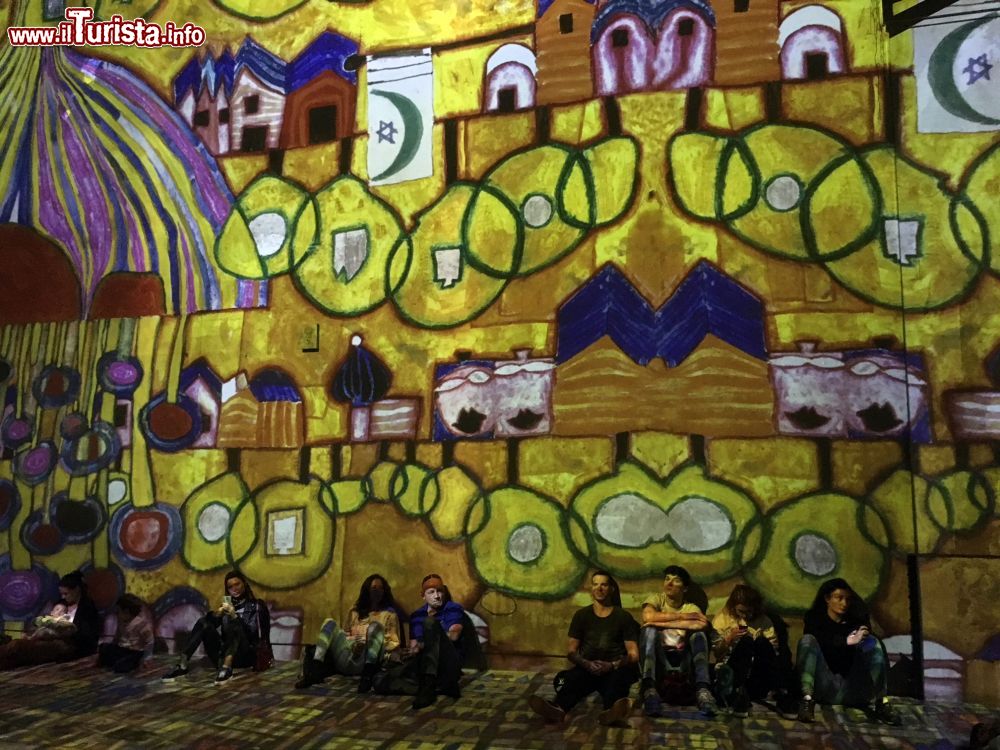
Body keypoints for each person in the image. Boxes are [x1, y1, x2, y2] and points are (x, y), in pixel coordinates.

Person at [528, 570, 639, 727]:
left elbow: (633, 654)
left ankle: (612, 713)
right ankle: (557, 709)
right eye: (595, 584)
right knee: (572, 680)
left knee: (616, 684)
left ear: (611, 589)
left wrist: (612, 665)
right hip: (588, 668)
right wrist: (586, 664)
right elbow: (571, 652)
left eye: (604, 585)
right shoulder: (581, 615)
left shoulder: (623, 617)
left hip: (613, 669)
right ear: (591, 589)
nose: (599, 588)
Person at [796, 578, 900, 725]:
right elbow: (821, 640)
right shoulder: (815, 619)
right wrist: (846, 642)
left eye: (847, 599)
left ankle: (882, 702)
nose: (844, 604)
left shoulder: (855, 621)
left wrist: (863, 636)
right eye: (839, 598)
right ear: (827, 599)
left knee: (872, 642)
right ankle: (806, 702)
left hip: (852, 688)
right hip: (826, 685)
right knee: (807, 640)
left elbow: (870, 649)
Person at [295, 573, 402, 692]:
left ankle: (366, 678)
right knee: (329, 622)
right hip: (348, 655)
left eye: (381, 588)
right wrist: (352, 641)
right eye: (374, 588)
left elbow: (393, 643)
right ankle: (315, 668)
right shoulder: (354, 612)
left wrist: (369, 641)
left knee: (375, 627)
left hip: (368, 658)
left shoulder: (389, 615)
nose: (378, 591)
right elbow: (345, 632)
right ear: (367, 590)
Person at [162, 570, 270, 684]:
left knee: (231, 620)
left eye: (237, 584)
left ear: (244, 584)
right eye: (230, 587)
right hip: (223, 654)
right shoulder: (228, 606)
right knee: (204, 622)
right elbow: (207, 627)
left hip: (246, 656)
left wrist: (235, 616)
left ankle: (227, 667)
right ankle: (182, 665)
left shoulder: (257, 605)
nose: (234, 588)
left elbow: (256, 637)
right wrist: (217, 613)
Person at [638, 565, 716, 717]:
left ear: (685, 588)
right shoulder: (656, 599)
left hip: (683, 661)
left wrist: (661, 622)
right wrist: (684, 617)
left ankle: (703, 689)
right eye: (667, 579)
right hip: (660, 660)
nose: (669, 583)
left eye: (676, 581)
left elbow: (701, 624)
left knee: (699, 635)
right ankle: (649, 688)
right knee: (648, 630)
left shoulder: (690, 607)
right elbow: (647, 618)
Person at [0, 570, 101, 670]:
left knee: (18, 647)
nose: (63, 597)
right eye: (61, 594)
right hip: (49, 638)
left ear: (77, 590)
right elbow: (47, 620)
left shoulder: (87, 608)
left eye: (66, 594)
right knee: (15, 650)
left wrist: (62, 632)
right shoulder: (61, 604)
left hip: (67, 645)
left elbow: (86, 637)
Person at [711, 584, 784, 716]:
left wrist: (759, 641)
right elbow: (716, 653)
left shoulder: (764, 621)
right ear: (734, 607)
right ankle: (738, 693)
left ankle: (780, 692)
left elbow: (774, 652)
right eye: (741, 611)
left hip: (757, 673)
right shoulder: (722, 619)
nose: (746, 616)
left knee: (760, 642)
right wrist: (729, 639)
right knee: (745, 642)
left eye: (749, 611)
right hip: (733, 674)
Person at [408, 573, 465, 710]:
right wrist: (412, 650)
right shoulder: (416, 615)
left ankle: (429, 686)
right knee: (381, 681)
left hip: (447, 661)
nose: (437, 596)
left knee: (430, 623)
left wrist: (432, 636)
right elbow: (414, 646)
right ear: (423, 595)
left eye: (439, 591)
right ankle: (440, 686)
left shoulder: (453, 608)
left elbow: (454, 636)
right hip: (424, 662)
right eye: (431, 592)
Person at [97, 593, 154, 673]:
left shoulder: (141, 624)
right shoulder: (121, 621)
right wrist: (112, 647)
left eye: (119, 611)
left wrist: (146, 657)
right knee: (104, 647)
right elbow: (117, 636)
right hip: (123, 649)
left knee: (120, 666)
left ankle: (129, 664)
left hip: (135, 652)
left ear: (126, 612)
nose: (117, 614)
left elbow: (149, 641)